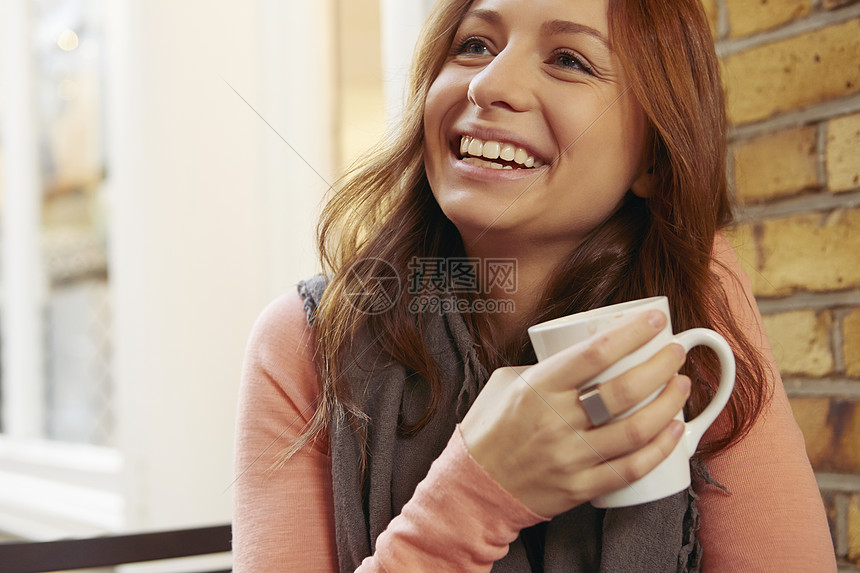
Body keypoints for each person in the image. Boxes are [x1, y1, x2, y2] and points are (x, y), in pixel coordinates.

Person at [233, 0, 837, 570]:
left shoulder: (694, 294)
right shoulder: (306, 340)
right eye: (473, 45)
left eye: (569, 60)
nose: (487, 85)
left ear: (654, 159)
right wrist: (476, 495)